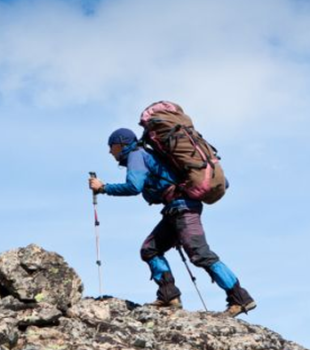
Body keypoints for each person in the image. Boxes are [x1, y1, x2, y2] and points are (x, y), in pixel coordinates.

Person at [88, 128, 256, 316]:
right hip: (175, 209)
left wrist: (103, 188)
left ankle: (240, 298)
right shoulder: (145, 154)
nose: (110, 152)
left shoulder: (136, 155)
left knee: (200, 254)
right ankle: (169, 296)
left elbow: (134, 186)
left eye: (111, 147)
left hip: (182, 209)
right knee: (150, 250)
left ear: (120, 144)